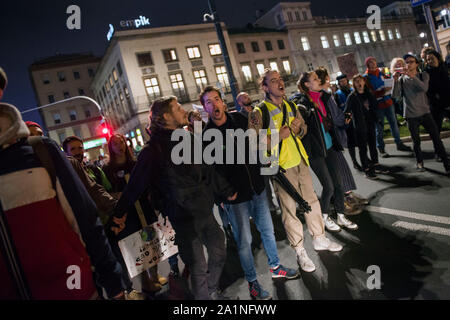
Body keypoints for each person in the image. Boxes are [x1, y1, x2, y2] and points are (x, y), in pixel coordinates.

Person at [112, 96, 238, 300]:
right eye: (178, 108)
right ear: (166, 116)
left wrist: (226, 189)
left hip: (205, 210)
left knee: (219, 252)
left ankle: (211, 290)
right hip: (184, 218)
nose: (183, 111)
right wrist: (119, 215)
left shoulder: (187, 137)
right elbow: (134, 187)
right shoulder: (152, 151)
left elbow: (208, 169)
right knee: (197, 266)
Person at [0, 102, 127, 300]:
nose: (36, 139)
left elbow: (88, 209)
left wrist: (112, 280)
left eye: (39, 136)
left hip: (74, 283)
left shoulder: (46, 155)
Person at [201, 86, 299, 300]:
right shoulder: (207, 135)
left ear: (222, 101)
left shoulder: (240, 120)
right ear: (205, 108)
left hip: (257, 188)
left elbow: (258, 144)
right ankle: (253, 284)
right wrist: (225, 195)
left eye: (216, 99)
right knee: (244, 241)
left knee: (268, 231)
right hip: (235, 198)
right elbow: (211, 172)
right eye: (209, 102)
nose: (214, 104)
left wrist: (275, 142)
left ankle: (275, 267)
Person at [249, 69, 343, 275]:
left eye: (280, 79)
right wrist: (277, 136)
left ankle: (319, 238)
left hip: (300, 161)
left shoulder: (291, 105)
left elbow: (303, 130)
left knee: (312, 201)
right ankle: (300, 251)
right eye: (273, 81)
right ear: (264, 87)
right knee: (290, 211)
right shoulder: (258, 112)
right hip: (281, 168)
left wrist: (299, 127)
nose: (280, 83)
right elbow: (253, 142)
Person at [292, 71, 358, 233]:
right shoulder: (301, 102)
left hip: (330, 146)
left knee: (338, 184)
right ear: (307, 84)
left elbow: (334, 119)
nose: (319, 80)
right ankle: (325, 217)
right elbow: (300, 128)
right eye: (314, 79)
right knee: (328, 186)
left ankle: (341, 216)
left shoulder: (325, 97)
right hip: (315, 151)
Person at [103, 134, 169, 294]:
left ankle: (154, 275)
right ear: (110, 148)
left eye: (122, 142)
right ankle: (145, 281)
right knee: (136, 247)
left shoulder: (135, 163)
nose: (120, 146)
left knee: (151, 242)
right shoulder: (107, 169)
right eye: (115, 144)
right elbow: (105, 191)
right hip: (127, 213)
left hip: (144, 208)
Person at [313, 67, 368, 211]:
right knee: (338, 171)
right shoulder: (323, 96)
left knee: (341, 168)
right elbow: (335, 116)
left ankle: (348, 195)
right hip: (330, 138)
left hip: (331, 138)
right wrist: (345, 120)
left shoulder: (324, 95)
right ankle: (342, 200)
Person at [392, 53, 450, 174]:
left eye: (411, 62)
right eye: (406, 62)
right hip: (410, 115)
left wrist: (413, 77)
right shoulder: (402, 80)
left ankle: (446, 163)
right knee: (416, 141)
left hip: (425, 113)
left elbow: (424, 88)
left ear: (417, 63)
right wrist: (395, 81)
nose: (408, 64)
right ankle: (420, 162)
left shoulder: (423, 75)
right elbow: (395, 96)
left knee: (436, 139)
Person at [364, 56, 412, 157]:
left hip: (388, 102)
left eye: (374, 61)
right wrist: (382, 92)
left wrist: (391, 83)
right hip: (377, 106)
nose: (373, 63)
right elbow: (369, 94)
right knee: (379, 128)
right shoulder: (366, 77)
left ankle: (399, 144)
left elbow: (390, 82)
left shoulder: (381, 73)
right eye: (370, 62)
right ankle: (381, 148)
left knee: (394, 124)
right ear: (367, 64)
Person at [345, 74, 380, 179]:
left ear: (364, 82)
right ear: (354, 84)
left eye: (360, 81)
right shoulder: (352, 96)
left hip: (370, 123)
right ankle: (367, 169)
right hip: (360, 126)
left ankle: (375, 164)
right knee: (363, 148)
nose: (359, 83)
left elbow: (375, 107)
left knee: (373, 145)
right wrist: (348, 117)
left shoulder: (369, 94)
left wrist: (376, 118)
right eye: (356, 82)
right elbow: (347, 110)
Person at [334, 74, 361, 170]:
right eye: (341, 82)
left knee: (360, 141)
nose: (343, 83)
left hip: (357, 119)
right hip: (347, 121)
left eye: (344, 81)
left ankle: (364, 159)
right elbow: (337, 109)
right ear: (339, 83)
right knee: (351, 143)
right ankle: (354, 161)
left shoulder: (353, 91)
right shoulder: (337, 94)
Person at [424, 50, 450, 135]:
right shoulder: (426, 73)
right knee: (436, 129)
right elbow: (428, 90)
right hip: (436, 104)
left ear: (438, 58)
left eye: (432, 58)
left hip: (448, 100)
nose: (430, 61)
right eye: (428, 60)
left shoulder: (445, 67)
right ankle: (439, 147)